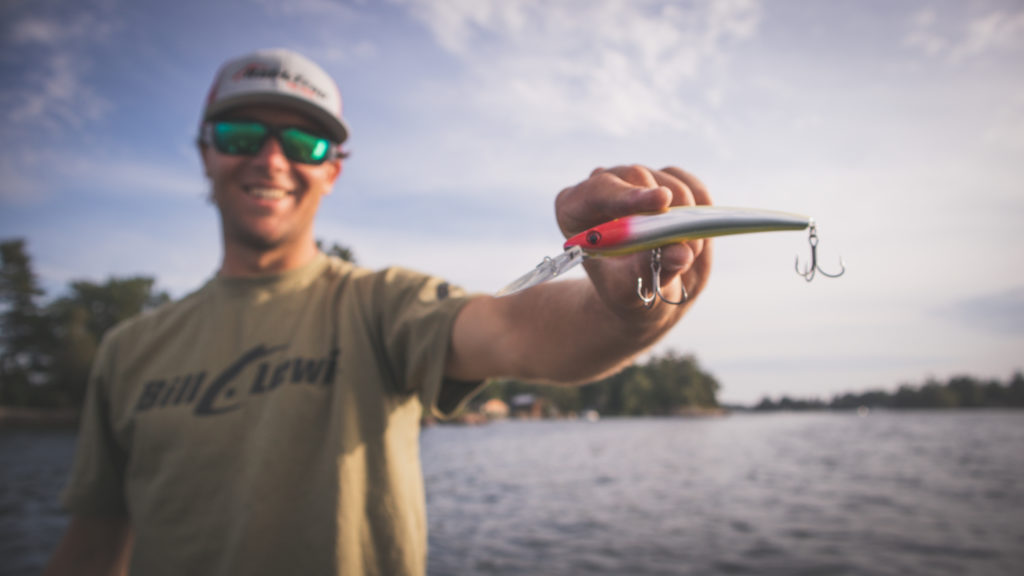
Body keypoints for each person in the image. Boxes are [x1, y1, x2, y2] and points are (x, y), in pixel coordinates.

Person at [43, 48, 712, 576]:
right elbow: (95, 545)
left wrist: (627, 303)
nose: (271, 159)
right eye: (243, 132)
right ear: (206, 152)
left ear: (332, 170)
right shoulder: (128, 350)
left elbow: (519, 332)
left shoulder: (382, 305)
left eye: (304, 144)